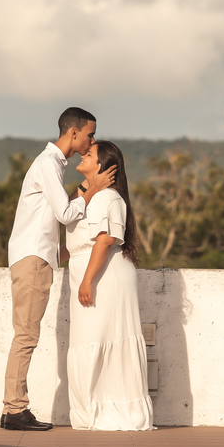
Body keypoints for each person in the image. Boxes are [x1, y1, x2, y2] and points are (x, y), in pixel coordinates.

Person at [1, 107, 116, 432]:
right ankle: (14, 409)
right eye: (90, 134)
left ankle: (13, 408)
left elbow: (56, 208)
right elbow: (65, 215)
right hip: (33, 258)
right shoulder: (48, 164)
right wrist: (92, 190)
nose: (92, 140)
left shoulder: (52, 165)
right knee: (26, 335)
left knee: (25, 334)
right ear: (74, 133)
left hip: (37, 257)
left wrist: (86, 187)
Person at [65, 140, 154, 431]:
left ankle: (110, 411)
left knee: (99, 337)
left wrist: (87, 280)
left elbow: (105, 239)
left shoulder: (107, 198)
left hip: (103, 274)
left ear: (103, 166)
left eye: (89, 154)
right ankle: (93, 410)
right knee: (90, 339)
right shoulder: (91, 196)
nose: (82, 154)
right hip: (91, 269)